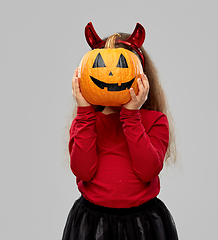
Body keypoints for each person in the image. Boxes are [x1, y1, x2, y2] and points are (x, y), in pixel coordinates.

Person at [62, 23, 179, 240]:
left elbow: (147, 171)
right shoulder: (85, 122)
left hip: (143, 225)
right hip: (93, 224)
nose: (110, 73)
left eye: (122, 65)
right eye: (99, 66)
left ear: (142, 77)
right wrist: (85, 111)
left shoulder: (155, 121)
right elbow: (83, 170)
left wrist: (131, 115)